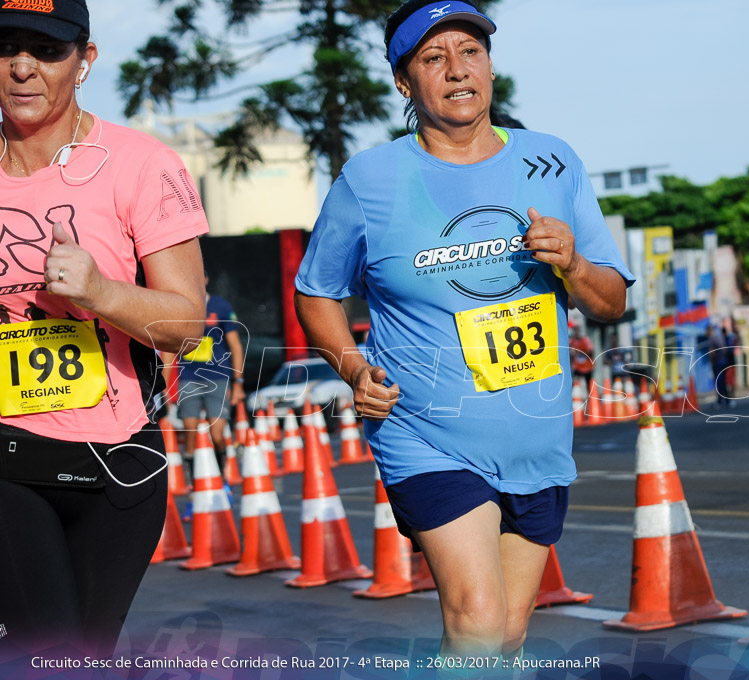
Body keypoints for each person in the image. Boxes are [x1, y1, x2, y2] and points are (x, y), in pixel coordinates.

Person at [294, 0, 633, 662]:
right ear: (403, 81)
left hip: (536, 435)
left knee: (505, 636)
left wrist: (573, 262)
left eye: (471, 51)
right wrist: (355, 369)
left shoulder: (552, 161)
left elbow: (612, 301)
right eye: (433, 57)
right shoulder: (370, 179)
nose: (457, 69)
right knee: (476, 620)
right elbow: (317, 292)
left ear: (491, 66)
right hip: (426, 434)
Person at [0, 0, 207, 658]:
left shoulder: (142, 165)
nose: (23, 68)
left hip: (120, 467)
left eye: (48, 50)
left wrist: (99, 291)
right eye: (6, 48)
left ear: (84, 61)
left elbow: (185, 326)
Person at [164, 270, 245, 474]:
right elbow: (169, 350)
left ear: (207, 280)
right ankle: (193, 480)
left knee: (216, 433)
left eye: (201, 278)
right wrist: (164, 387)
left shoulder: (221, 307)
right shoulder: (180, 308)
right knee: (190, 431)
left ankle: (222, 470)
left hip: (218, 377)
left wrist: (238, 383)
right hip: (189, 377)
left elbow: (235, 346)